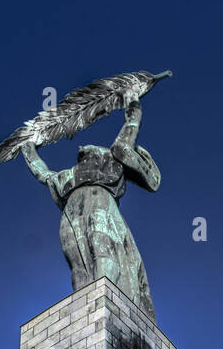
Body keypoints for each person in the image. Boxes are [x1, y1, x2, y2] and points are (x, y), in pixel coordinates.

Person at [20, 99, 160, 320]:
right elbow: (42, 173)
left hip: (101, 206)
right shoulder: (67, 177)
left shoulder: (112, 164)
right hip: (71, 213)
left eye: (89, 149)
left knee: (101, 251)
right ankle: (86, 311)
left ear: (101, 155)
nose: (81, 149)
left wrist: (134, 117)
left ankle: (107, 306)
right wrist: (27, 148)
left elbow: (123, 146)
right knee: (78, 264)